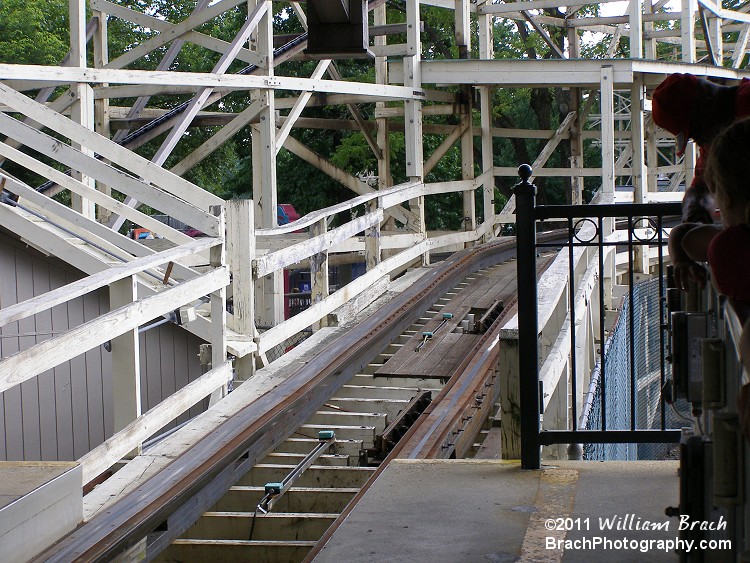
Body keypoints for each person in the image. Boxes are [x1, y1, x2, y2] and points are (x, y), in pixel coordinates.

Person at [652, 73, 750, 289]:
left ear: (705, 105)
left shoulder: (741, 116)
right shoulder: (718, 132)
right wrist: (695, 218)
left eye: (695, 133)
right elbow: (698, 192)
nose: (700, 143)